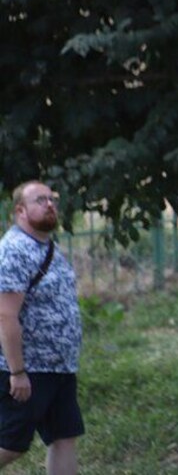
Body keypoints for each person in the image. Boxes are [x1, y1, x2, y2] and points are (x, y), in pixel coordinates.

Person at [0, 181, 84, 474]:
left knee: (64, 437)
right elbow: (5, 315)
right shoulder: (14, 250)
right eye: (40, 200)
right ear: (20, 211)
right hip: (29, 369)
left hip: (58, 367)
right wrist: (17, 372)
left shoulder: (47, 246)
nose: (49, 204)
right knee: (10, 444)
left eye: (52, 199)